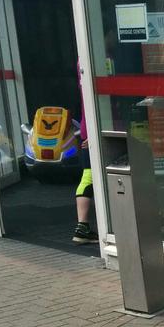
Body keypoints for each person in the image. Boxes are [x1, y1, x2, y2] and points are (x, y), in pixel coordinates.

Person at [72, 61, 98, 245]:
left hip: (87, 128)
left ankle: (82, 226)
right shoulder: (93, 57)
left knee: (88, 176)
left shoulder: (83, 61)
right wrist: (94, 132)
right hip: (96, 128)